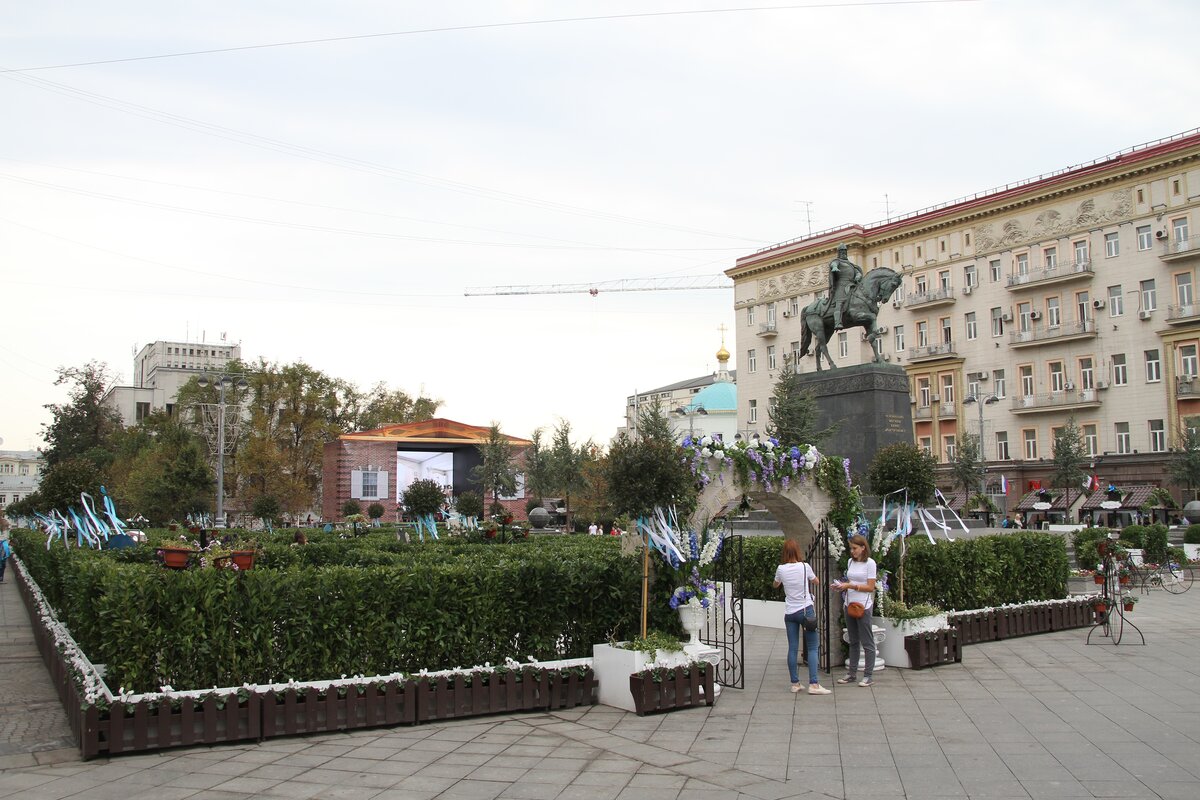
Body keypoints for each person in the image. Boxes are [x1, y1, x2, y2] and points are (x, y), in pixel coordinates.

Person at [773, 539, 831, 695]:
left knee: (792, 648)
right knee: (812, 647)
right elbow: (816, 581)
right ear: (797, 551)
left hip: (790, 612)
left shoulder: (781, 569)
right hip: (806, 610)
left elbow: (775, 584)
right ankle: (814, 684)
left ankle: (795, 683)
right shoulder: (805, 567)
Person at [832, 533, 877, 687]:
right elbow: (850, 581)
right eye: (851, 548)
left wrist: (851, 586)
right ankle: (852, 673)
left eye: (855, 548)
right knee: (853, 641)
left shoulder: (870, 563)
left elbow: (870, 587)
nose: (852, 551)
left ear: (863, 548)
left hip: (863, 605)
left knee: (867, 641)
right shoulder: (850, 562)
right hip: (849, 603)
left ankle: (868, 675)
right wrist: (841, 586)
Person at [827, 243, 863, 329]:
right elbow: (833, 264)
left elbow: (857, 272)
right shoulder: (837, 261)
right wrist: (834, 267)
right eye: (841, 251)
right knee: (839, 302)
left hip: (852, 285)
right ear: (839, 252)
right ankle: (837, 322)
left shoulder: (851, 265)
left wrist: (858, 276)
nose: (843, 253)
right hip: (841, 285)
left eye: (844, 251)